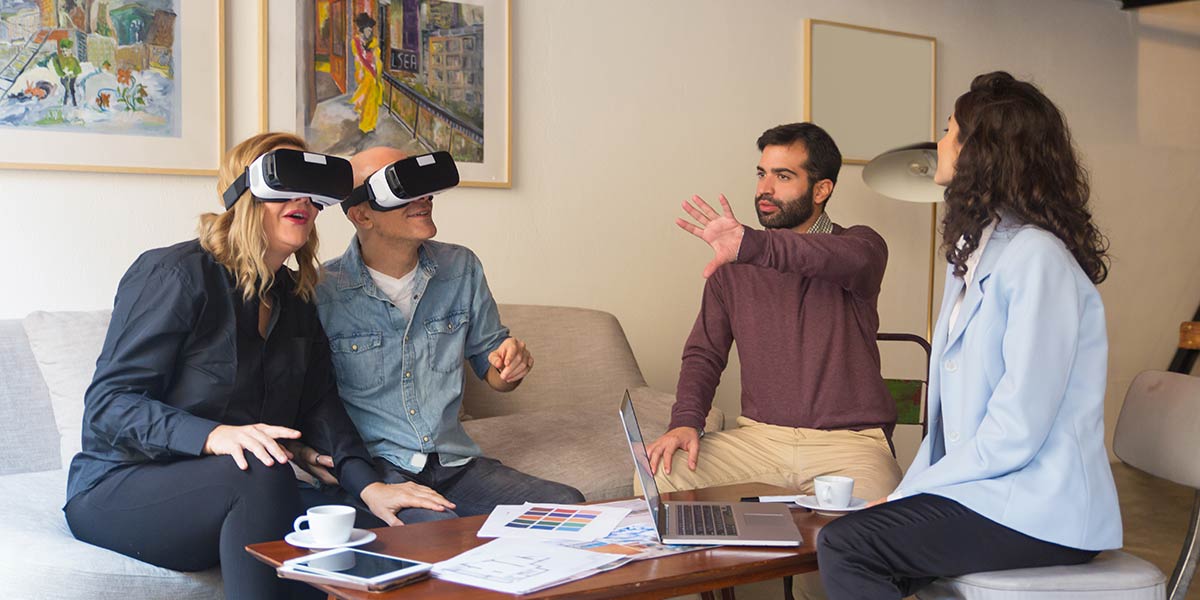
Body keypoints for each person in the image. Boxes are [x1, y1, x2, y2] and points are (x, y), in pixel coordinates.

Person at [64, 133, 450, 600]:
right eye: (286, 185)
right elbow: (109, 405)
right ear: (245, 194)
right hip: (126, 485)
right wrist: (213, 436)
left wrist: (368, 485)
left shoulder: (296, 297)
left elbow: (320, 404)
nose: (302, 201)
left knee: (399, 530)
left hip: (244, 485)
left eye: (311, 190)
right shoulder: (176, 274)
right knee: (261, 473)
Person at [816, 71, 1122, 599]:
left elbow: (1016, 431)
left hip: (1042, 509)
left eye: (949, 131)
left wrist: (911, 496)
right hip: (993, 494)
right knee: (853, 536)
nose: (938, 143)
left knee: (848, 546)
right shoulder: (974, 254)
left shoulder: (1037, 259)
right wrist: (907, 493)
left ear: (983, 152)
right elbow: (946, 433)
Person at [301, 146, 584, 524]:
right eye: (402, 188)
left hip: (455, 463)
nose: (424, 198)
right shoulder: (321, 291)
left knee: (568, 506)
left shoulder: (460, 268)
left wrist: (509, 365)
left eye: (423, 186)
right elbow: (307, 399)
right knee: (439, 534)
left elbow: (494, 370)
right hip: (380, 470)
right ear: (362, 215)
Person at [645, 122, 902, 506]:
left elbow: (825, 257)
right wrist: (685, 421)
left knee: (872, 523)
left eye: (783, 176)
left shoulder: (860, 247)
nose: (765, 188)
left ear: (821, 190)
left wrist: (753, 245)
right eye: (761, 174)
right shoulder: (735, 265)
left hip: (850, 444)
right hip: (759, 440)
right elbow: (704, 354)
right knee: (660, 474)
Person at [350, 12, 383, 134]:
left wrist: (374, 57)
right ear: (363, 30)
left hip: (373, 74)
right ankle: (365, 125)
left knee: (372, 100)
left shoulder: (374, 42)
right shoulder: (356, 41)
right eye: (368, 30)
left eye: (371, 30)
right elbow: (358, 58)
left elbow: (377, 57)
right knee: (365, 100)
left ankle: (370, 124)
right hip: (365, 74)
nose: (370, 32)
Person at [50, 38, 81, 107]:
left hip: (72, 77)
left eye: (66, 51)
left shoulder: (74, 59)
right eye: (63, 51)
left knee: (72, 88)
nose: (64, 53)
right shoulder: (58, 58)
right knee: (67, 88)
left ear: (70, 51)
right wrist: (62, 73)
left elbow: (78, 69)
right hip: (64, 77)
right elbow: (56, 67)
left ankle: (74, 102)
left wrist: (73, 73)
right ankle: (65, 102)